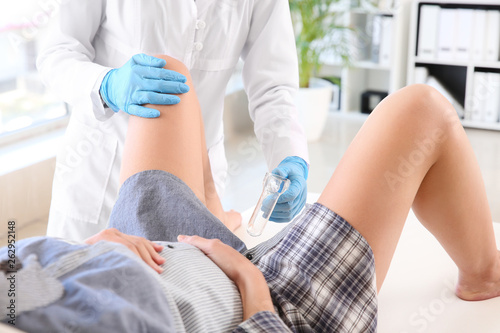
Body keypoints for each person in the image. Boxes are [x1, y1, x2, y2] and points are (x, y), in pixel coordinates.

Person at [4, 56, 500, 332]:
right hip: (265, 300)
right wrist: (242, 273)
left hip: (155, 252)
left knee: (164, 78)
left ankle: (219, 221)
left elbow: (13, 264)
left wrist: (92, 248)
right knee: (424, 110)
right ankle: (485, 274)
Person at [36, 0, 309, 242]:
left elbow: (273, 88)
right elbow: (56, 52)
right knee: (79, 285)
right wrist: (107, 84)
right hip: (100, 173)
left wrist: (290, 156)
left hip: (196, 177)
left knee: (173, 282)